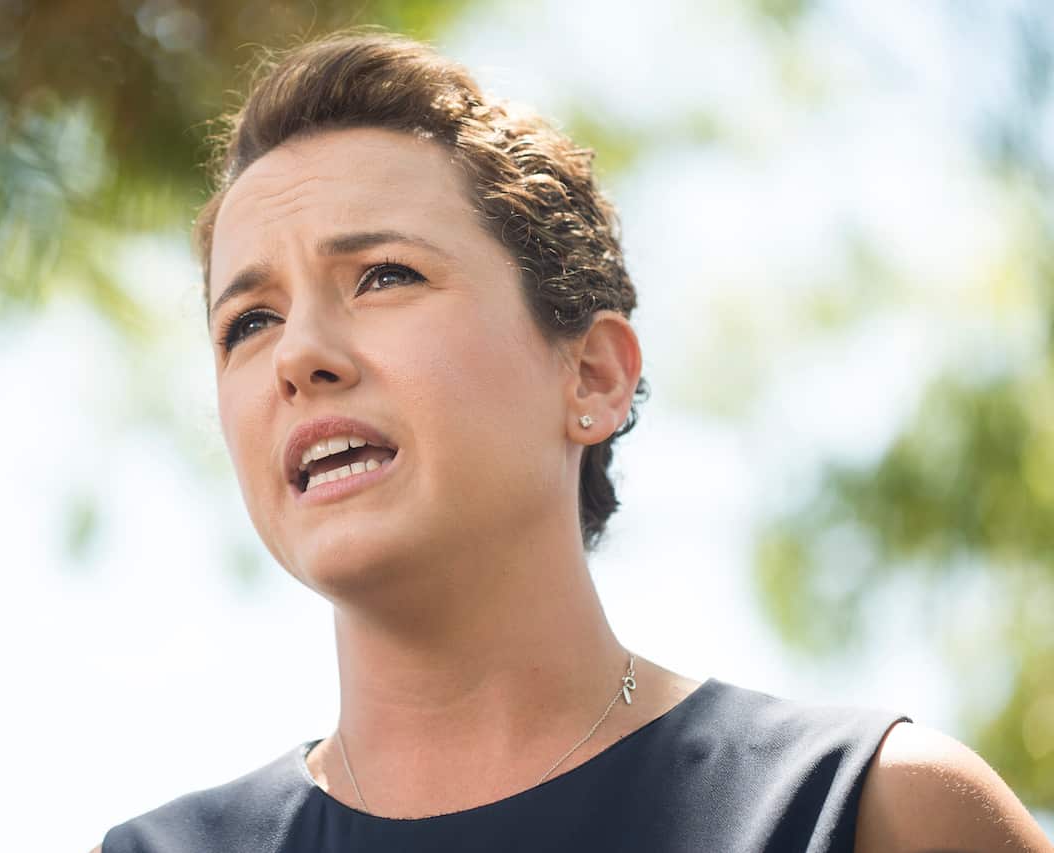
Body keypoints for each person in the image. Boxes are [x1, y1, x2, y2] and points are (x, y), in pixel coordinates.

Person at [94, 29, 1052, 853]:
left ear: (592, 376)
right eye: (247, 323)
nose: (299, 355)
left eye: (384, 275)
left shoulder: (870, 810)